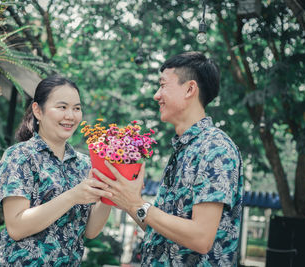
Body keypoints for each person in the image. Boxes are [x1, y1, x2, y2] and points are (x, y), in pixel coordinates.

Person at [94, 51, 244, 266]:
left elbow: (201, 238)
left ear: (190, 89)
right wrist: (127, 201)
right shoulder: (183, 149)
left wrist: (137, 203)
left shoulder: (215, 148)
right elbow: (160, 229)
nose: (156, 95)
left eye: (163, 85)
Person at [0, 75, 113, 266]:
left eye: (77, 108)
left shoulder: (84, 164)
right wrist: (73, 196)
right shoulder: (20, 156)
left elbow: (89, 231)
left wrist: (109, 193)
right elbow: (16, 226)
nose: (70, 116)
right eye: (62, 107)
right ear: (38, 111)